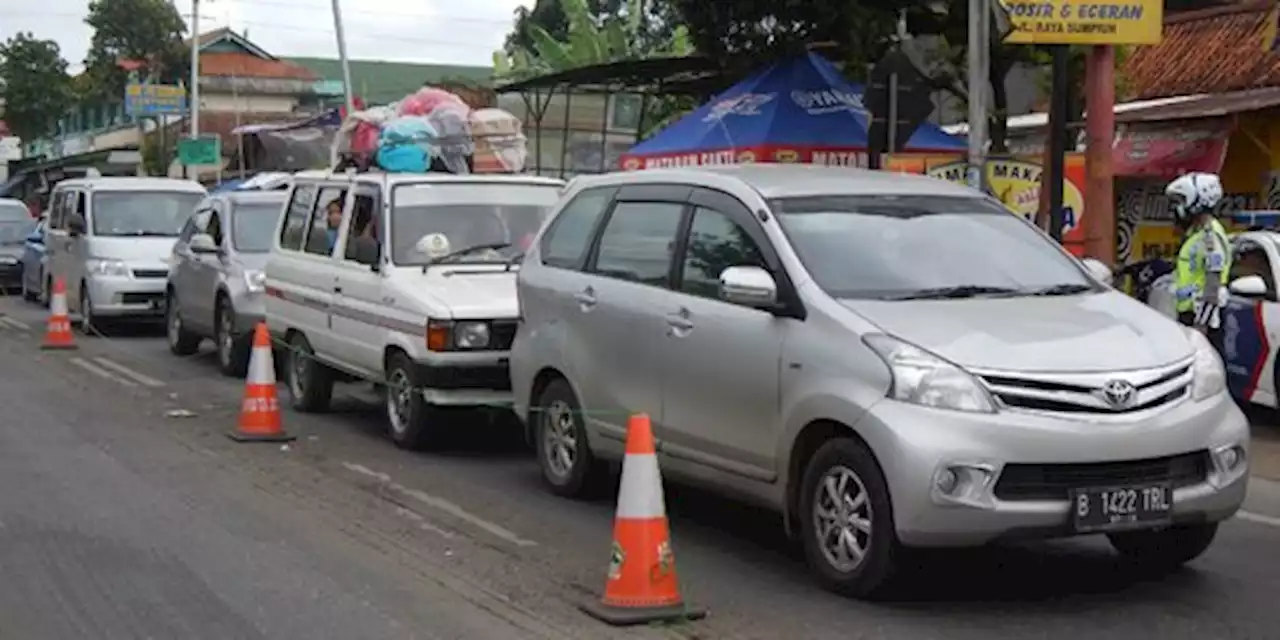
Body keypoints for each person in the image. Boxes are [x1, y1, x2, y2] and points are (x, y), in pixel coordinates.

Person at [1167, 172, 1231, 346]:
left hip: (1204, 319)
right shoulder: (1196, 233)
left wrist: (1201, 325)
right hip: (1189, 313)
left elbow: (1213, 281)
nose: (1176, 209)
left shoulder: (1210, 236)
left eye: (1180, 201)